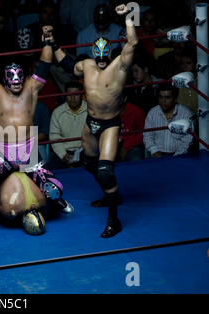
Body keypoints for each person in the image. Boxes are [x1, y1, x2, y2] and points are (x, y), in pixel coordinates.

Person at [0, 25, 74, 237]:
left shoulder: (31, 89)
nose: (17, 82)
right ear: (5, 78)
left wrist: (46, 40)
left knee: (56, 189)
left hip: (28, 157)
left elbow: (45, 64)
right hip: (4, 156)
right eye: (12, 78)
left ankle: (56, 201)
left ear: (24, 77)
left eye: (20, 78)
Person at [54, 4, 138, 237]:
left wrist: (127, 18)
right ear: (93, 55)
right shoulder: (87, 66)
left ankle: (114, 220)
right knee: (90, 166)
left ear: (109, 55)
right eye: (97, 58)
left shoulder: (120, 66)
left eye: (104, 59)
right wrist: (51, 42)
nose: (100, 62)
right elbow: (67, 64)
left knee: (104, 171)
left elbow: (132, 44)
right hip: (90, 122)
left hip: (110, 124)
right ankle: (112, 195)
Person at [143, 83, 195, 158]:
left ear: (175, 99)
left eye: (167, 97)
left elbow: (188, 141)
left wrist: (175, 158)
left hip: (179, 155)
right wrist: (155, 153)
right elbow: (147, 136)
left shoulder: (186, 114)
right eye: (160, 97)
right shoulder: (152, 113)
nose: (163, 101)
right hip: (156, 154)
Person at [48, 81, 87, 169]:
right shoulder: (58, 112)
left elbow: (94, 133)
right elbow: (54, 136)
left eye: (76, 94)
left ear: (81, 95)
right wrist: (63, 155)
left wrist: (84, 148)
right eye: (69, 94)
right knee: (49, 171)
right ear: (65, 95)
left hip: (85, 150)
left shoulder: (90, 111)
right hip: (64, 151)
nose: (72, 98)